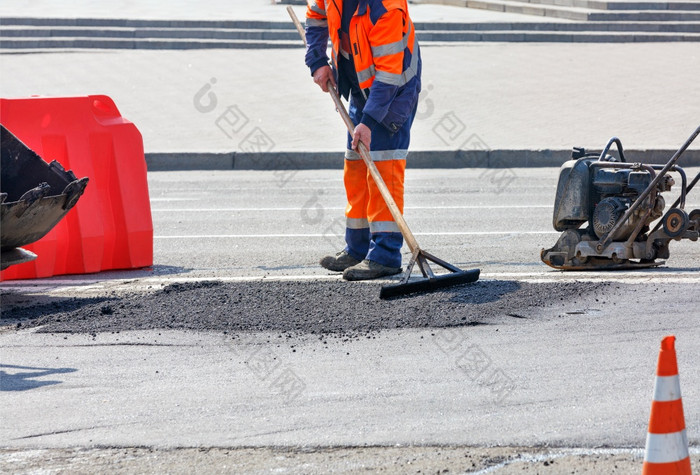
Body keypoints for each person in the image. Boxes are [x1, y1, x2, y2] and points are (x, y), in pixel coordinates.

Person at [305, 0, 421, 280]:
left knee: (383, 167)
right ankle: (357, 249)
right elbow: (315, 16)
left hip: (393, 93)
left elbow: (390, 74)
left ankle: (385, 255)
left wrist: (368, 122)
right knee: (356, 166)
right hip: (359, 84)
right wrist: (318, 62)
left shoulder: (387, 9)